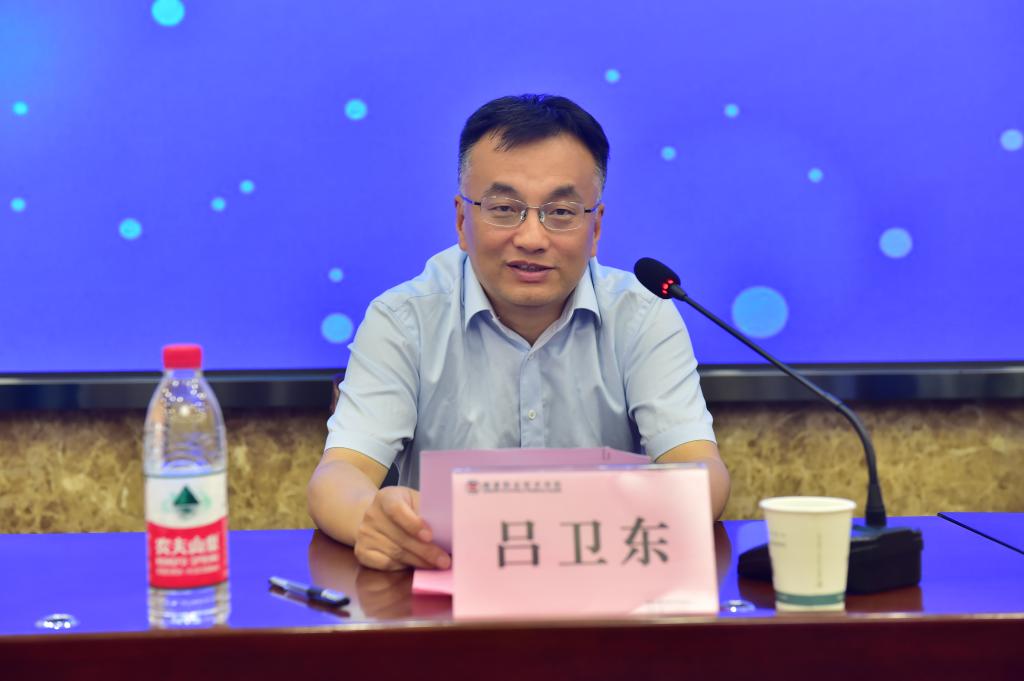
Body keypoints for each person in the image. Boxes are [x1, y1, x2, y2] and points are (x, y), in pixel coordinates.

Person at [308, 94, 729, 571]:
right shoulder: (403, 319)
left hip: (603, 585)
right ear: (462, 220)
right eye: (505, 208)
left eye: (561, 212)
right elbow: (338, 477)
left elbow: (700, 470)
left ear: (595, 229)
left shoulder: (642, 314)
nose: (531, 238)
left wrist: (658, 507)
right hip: (447, 587)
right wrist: (374, 520)